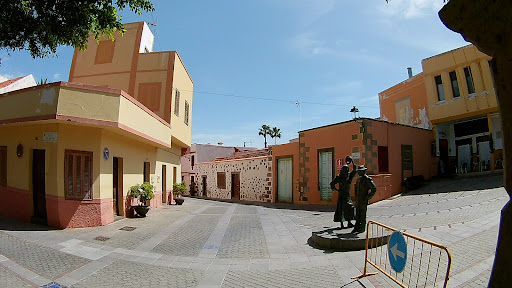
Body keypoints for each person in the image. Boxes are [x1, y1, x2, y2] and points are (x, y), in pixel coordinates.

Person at [330, 157, 357, 229]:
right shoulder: (339, 177)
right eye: (345, 170)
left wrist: (352, 162)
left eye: (347, 170)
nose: (346, 171)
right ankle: (342, 223)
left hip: (347, 195)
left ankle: (349, 222)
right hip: (341, 195)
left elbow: (355, 170)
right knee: (341, 209)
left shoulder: (349, 177)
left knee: (350, 208)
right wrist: (336, 189)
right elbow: (332, 183)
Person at [352, 165, 377, 234]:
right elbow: (356, 188)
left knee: (363, 214)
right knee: (357, 213)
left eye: (359, 171)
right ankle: (357, 226)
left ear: (363, 171)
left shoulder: (368, 179)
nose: (358, 173)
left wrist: (368, 197)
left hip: (363, 199)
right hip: (358, 199)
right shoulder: (358, 180)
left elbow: (374, 188)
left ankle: (362, 227)